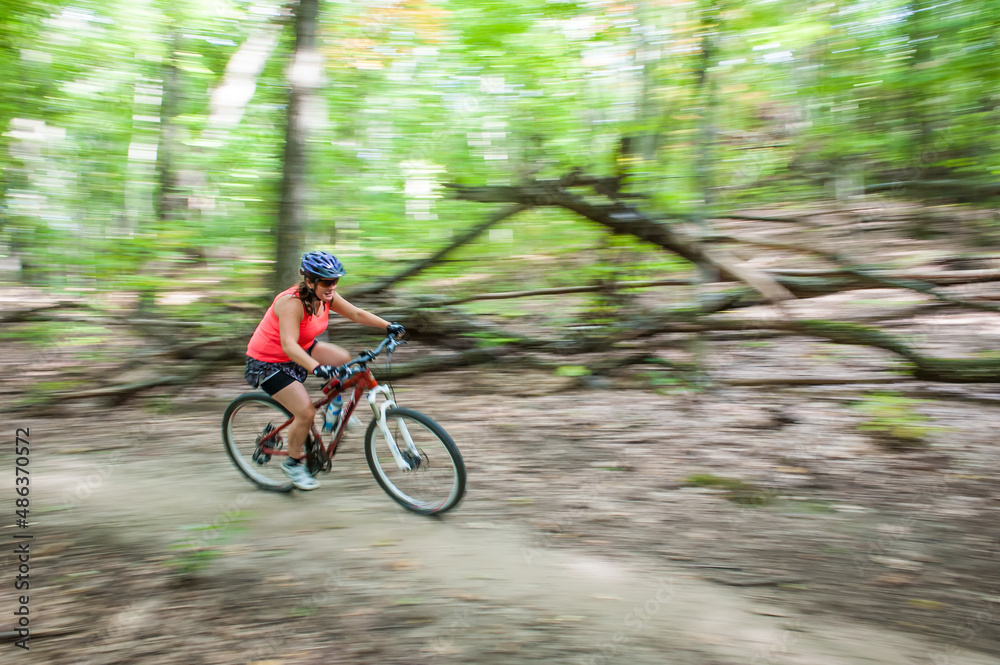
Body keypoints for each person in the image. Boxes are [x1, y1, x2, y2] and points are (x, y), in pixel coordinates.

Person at [244, 250, 404, 490]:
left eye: (336, 280)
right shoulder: (291, 303)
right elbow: (288, 345)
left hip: (303, 348)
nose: (333, 286)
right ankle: (293, 462)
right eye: (327, 281)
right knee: (305, 413)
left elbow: (355, 313)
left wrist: (388, 325)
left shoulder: (327, 296)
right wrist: (316, 367)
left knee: (343, 359)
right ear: (309, 281)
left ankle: (333, 411)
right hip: (269, 361)